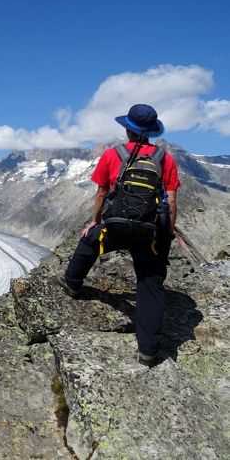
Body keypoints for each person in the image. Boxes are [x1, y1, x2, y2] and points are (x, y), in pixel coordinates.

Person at [57, 104, 180, 367]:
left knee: (90, 241)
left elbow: (102, 192)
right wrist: (167, 232)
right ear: (151, 132)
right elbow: (171, 199)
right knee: (151, 284)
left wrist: (95, 221)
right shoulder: (165, 159)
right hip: (150, 231)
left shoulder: (114, 155)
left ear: (128, 129)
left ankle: (72, 283)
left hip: (117, 225)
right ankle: (148, 351)